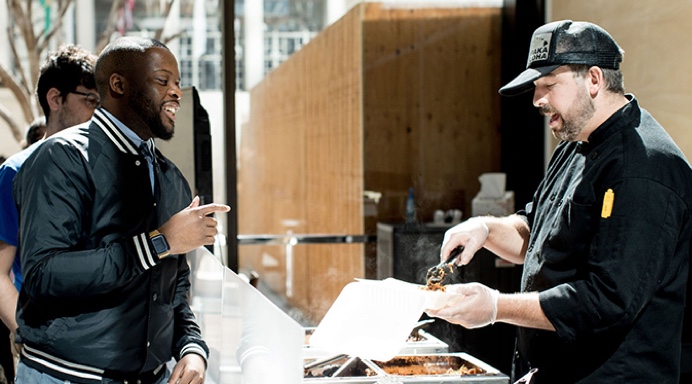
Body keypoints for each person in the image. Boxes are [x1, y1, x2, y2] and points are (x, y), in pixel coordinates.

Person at [426, 20, 692, 383]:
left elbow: (607, 301)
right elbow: (538, 232)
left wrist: (495, 307)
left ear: (594, 79)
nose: (538, 100)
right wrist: (487, 229)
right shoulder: (575, 143)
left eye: (549, 85)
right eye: (536, 88)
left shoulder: (643, 169)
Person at [13, 36, 230, 384]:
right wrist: (160, 242)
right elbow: (44, 276)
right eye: (162, 81)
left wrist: (192, 348)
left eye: (177, 82)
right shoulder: (60, 158)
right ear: (118, 85)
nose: (175, 92)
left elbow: (173, 291)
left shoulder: (171, 177)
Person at [0, 44, 98, 383]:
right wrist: (28, 334)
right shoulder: (16, 173)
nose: (99, 112)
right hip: (46, 360)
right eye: (90, 100)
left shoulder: (105, 171)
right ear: (55, 98)